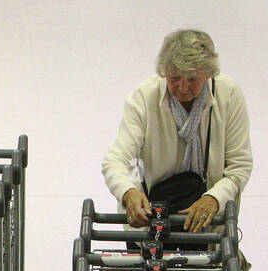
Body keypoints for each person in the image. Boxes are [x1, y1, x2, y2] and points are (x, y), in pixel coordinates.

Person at [102, 29, 252, 234]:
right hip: (150, 224)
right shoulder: (143, 98)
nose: (182, 87)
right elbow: (114, 161)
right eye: (174, 78)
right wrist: (128, 192)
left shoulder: (229, 95)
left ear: (208, 74)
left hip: (207, 228)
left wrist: (214, 198)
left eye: (192, 79)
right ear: (164, 71)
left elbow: (239, 167)